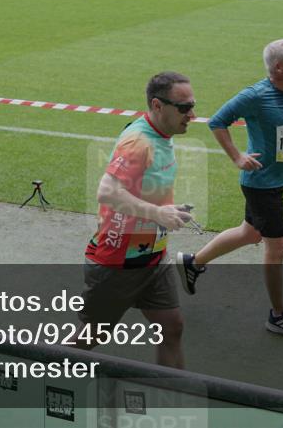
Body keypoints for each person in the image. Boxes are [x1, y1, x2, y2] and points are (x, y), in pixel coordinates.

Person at [176, 39, 283, 339]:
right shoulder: (255, 95)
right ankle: (278, 316)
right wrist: (236, 156)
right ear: (278, 67)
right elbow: (217, 121)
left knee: (250, 232)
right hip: (261, 185)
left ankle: (193, 263)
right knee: (277, 246)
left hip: (278, 180)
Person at [77, 71, 196, 368]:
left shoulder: (160, 136)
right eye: (183, 108)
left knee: (172, 326)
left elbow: (142, 188)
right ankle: (33, 374)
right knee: (88, 339)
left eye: (193, 106)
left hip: (151, 257)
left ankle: (169, 397)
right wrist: (158, 213)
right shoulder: (138, 141)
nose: (191, 115)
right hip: (118, 262)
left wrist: (168, 209)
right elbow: (106, 192)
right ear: (158, 106)